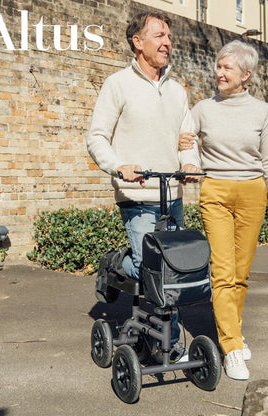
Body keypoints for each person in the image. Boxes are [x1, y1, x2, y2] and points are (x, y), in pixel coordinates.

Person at [87, 11, 200, 360]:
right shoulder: (117, 84)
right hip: (137, 197)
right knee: (152, 266)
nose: (167, 42)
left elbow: (186, 138)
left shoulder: (178, 90)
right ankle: (118, 264)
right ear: (138, 42)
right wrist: (119, 166)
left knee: (174, 271)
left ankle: (169, 341)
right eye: (159, 35)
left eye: (169, 36)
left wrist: (191, 162)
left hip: (172, 196)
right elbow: (96, 138)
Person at [179, 40, 268, 380]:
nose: (219, 73)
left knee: (241, 274)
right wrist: (190, 160)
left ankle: (232, 330)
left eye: (227, 68)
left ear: (246, 75)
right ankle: (232, 349)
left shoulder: (262, 111)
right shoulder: (203, 108)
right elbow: (185, 138)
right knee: (222, 272)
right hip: (216, 192)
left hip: (253, 193)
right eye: (218, 67)